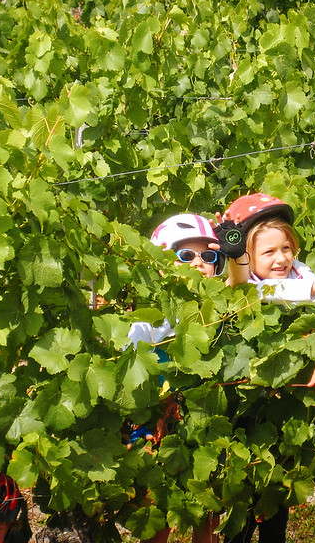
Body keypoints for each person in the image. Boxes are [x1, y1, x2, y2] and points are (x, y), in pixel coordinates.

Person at [213, 193, 315, 543]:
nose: (281, 258)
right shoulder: (239, 283)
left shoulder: (299, 271)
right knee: (239, 513)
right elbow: (268, 291)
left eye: (286, 248)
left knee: (275, 508)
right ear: (245, 256)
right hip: (245, 408)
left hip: (285, 411)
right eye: (268, 252)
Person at [126, 213, 224, 543]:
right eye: (185, 255)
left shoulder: (222, 313)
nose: (199, 263)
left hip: (202, 422)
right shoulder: (148, 321)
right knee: (156, 513)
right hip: (154, 422)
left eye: (208, 256)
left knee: (206, 515)